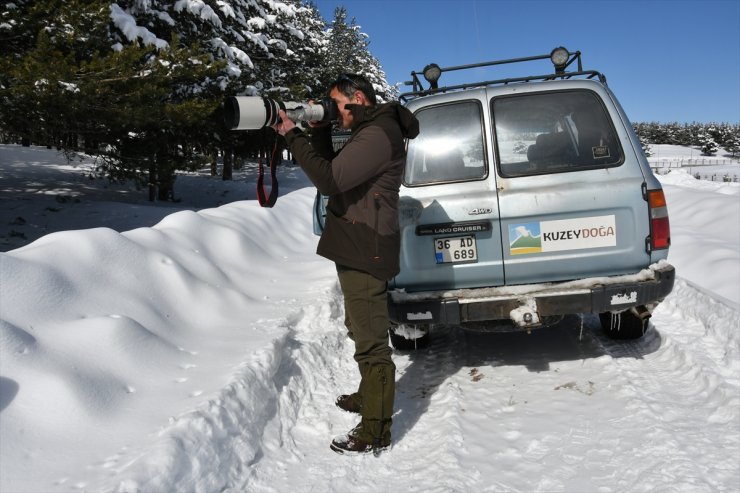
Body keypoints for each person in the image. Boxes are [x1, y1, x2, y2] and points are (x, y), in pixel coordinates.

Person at [273, 74, 419, 455]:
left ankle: (375, 430)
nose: (334, 110)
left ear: (358, 98)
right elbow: (338, 168)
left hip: (366, 246)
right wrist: (319, 131)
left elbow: (329, 179)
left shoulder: (377, 133)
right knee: (357, 326)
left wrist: (292, 133)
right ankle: (368, 394)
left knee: (371, 343)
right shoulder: (370, 130)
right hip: (357, 243)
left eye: (336, 103)